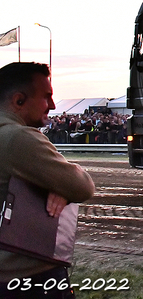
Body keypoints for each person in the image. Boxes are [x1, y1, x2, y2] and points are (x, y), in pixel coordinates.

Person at [0, 62, 95, 298]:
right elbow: (82, 185)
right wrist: (63, 186)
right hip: (26, 275)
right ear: (19, 100)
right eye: (46, 97)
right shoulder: (16, 138)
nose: (52, 106)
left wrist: (55, 183)